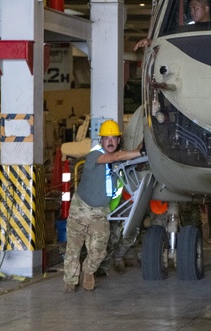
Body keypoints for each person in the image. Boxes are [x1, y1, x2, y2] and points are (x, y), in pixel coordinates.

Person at [63, 119, 142, 293]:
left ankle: (89, 271)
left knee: (99, 250)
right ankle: (70, 281)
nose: (111, 141)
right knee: (74, 248)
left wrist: (143, 147)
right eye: (107, 138)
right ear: (102, 140)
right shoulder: (95, 155)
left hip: (100, 212)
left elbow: (126, 159)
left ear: (119, 140)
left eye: (114, 138)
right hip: (80, 209)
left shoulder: (120, 159)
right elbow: (113, 157)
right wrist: (136, 152)